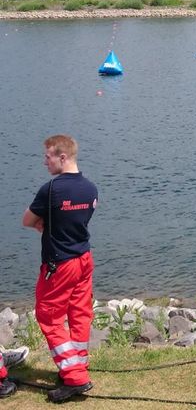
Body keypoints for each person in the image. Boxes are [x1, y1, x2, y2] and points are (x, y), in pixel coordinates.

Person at [22, 135, 98, 403]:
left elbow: (27, 220)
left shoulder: (51, 190)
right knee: (79, 313)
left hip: (60, 263)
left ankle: (75, 377)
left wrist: (41, 222)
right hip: (83, 259)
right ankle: (78, 363)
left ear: (62, 157)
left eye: (48, 157)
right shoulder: (90, 188)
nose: (45, 162)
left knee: (49, 316)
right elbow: (79, 218)